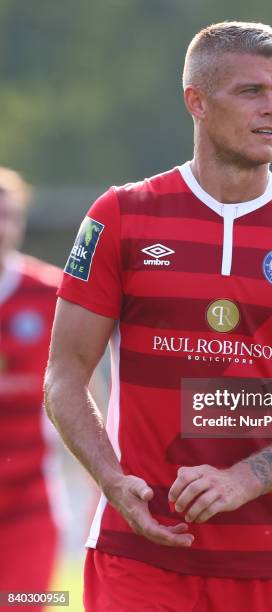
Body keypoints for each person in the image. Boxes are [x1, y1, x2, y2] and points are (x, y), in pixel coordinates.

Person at [44, 21, 272, 612]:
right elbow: (65, 376)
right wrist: (112, 480)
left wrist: (240, 481)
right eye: (252, 91)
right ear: (196, 101)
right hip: (138, 553)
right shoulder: (120, 215)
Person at [0, 168, 62, 609]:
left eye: (8, 215)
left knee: (23, 603)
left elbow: (81, 386)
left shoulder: (50, 292)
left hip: (29, 504)